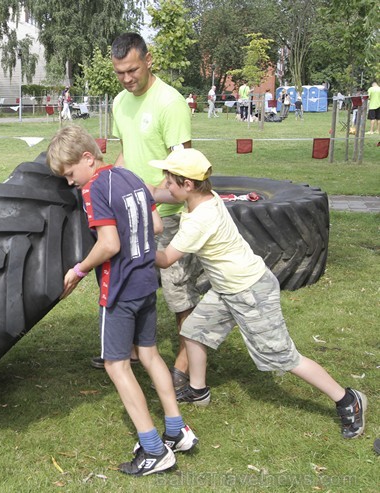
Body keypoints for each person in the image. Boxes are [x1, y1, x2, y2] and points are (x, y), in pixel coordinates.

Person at [147, 148, 367, 440]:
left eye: (169, 181)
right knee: (194, 330)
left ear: (187, 184)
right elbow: (158, 195)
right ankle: (198, 391)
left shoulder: (200, 219)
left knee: (282, 356)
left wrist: (137, 239)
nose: (165, 185)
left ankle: (347, 399)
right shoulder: (203, 197)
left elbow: (164, 259)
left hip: (249, 291)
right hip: (228, 287)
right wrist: (139, 191)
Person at [46, 125, 198, 477]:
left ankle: (153, 448)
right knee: (149, 353)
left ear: (87, 158)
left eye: (70, 174)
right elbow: (157, 227)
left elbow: (109, 244)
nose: (71, 183)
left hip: (120, 290)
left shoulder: (94, 188)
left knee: (116, 365)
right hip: (146, 282)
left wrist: (79, 270)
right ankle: (176, 431)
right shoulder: (130, 176)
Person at [102, 32, 200, 392]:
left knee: (179, 294)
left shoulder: (170, 103)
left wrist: (150, 197)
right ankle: (126, 350)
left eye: (132, 70)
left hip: (170, 215)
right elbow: (127, 153)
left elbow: (183, 169)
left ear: (148, 60)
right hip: (133, 215)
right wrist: (110, 185)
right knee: (132, 285)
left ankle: (184, 368)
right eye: (119, 73)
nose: (127, 79)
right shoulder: (119, 102)